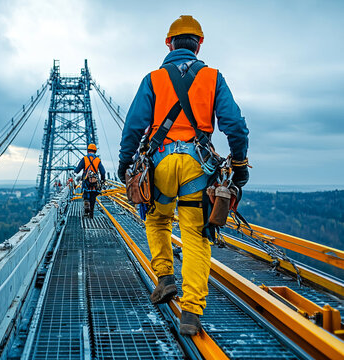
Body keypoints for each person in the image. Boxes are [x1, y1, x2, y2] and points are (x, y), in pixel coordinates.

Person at [117, 15, 249, 335]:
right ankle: (190, 312)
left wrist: (124, 163)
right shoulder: (213, 77)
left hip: (160, 164)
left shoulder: (153, 79)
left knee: (158, 219)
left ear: (169, 43)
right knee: (195, 235)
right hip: (197, 166)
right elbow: (235, 125)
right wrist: (240, 164)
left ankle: (164, 278)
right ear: (199, 44)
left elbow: (134, 125)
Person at [75, 143, 106, 218]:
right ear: (95, 151)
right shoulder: (97, 160)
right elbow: (103, 172)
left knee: (86, 195)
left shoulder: (85, 159)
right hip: (94, 181)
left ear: (88, 150)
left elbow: (77, 170)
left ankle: (86, 207)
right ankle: (91, 212)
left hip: (86, 180)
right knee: (93, 196)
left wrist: (74, 171)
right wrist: (103, 180)